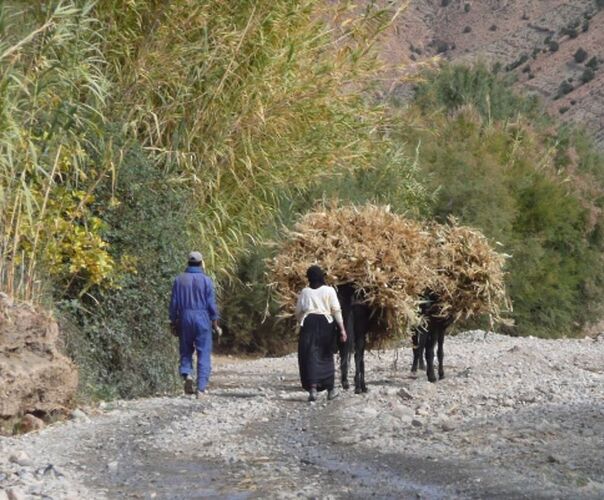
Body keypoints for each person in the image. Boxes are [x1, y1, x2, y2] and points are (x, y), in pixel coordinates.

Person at [169, 251, 221, 398]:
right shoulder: (206, 280)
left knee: (185, 349)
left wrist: (173, 322)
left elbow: (173, 304)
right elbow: (211, 305)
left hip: (184, 317)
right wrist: (215, 323)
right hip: (202, 317)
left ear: (188, 263)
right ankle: (201, 388)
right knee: (203, 352)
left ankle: (187, 374)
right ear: (200, 263)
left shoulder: (179, 280)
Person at [295, 265, 347, 402]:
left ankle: (312, 389)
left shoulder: (304, 292)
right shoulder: (329, 291)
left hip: (309, 324)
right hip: (326, 323)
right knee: (326, 355)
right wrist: (342, 329)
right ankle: (331, 390)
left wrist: (302, 321)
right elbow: (336, 310)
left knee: (310, 355)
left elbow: (298, 312)